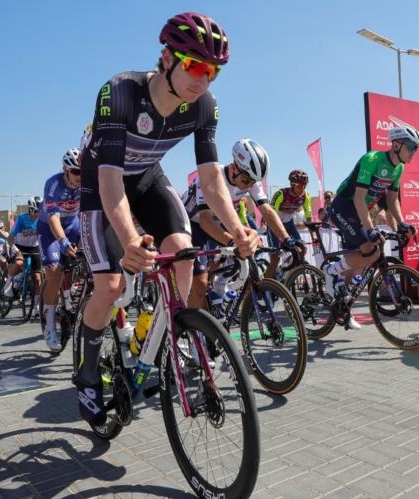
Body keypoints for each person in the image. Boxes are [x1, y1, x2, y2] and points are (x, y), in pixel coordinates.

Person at [76, 12, 260, 427]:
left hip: (146, 180)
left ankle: (154, 336)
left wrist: (238, 231)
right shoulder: (119, 93)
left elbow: (212, 182)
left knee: (183, 251)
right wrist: (129, 241)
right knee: (110, 284)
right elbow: (109, 184)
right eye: (195, 66)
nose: (203, 80)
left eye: (212, 72)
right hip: (100, 185)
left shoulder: (203, 106)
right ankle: (88, 376)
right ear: (166, 58)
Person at [184, 139, 298, 310]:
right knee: (200, 282)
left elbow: (266, 210)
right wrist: (232, 242)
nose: (250, 186)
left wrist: (286, 239)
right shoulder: (211, 177)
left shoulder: (249, 177)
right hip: (194, 223)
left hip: (219, 220)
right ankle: (199, 327)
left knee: (242, 253)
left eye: (254, 182)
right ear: (234, 169)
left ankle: (219, 291)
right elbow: (205, 220)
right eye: (247, 182)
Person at [324, 125, 419, 330]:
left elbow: (392, 200)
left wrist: (401, 223)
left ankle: (343, 306)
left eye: (416, 148)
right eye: (411, 147)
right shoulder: (372, 159)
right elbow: (358, 197)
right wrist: (370, 229)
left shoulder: (399, 168)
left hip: (360, 210)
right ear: (396, 144)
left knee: (360, 261)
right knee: (371, 249)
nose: (414, 152)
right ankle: (331, 272)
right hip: (344, 206)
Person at [37, 149, 83, 352]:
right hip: (49, 228)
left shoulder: (87, 181)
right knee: (54, 274)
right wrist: (63, 241)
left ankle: (70, 294)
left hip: (73, 225)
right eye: (75, 171)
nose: (79, 176)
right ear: (65, 170)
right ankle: (49, 325)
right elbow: (53, 217)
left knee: (88, 261)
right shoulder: (53, 183)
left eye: (83, 171)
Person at [3, 198, 43, 318]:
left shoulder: (42, 219)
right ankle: (9, 282)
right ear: (30, 210)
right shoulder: (22, 218)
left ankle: (36, 306)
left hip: (34, 248)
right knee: (20, 264)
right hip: (20, 246)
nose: (38, 213)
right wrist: (13, 248)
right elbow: (11, 236)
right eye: (35, 211)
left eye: (40, 211)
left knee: (37, 278)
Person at [269, 169, 312, 246]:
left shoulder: (305, 196)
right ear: (292, 184)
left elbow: (309, 217)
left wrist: (314, 236)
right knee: (276, 253)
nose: (303, 188)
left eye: (305, 185)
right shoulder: (280, 194)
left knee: (301, 247)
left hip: (289, 222)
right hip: (275, 223)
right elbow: (271, 215)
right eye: (300, 185)